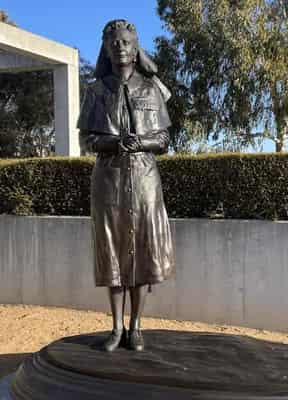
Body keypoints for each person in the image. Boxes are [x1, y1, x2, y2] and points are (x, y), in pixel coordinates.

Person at [77, 19, 175, 352]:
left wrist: (142, 143)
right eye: (114, 42)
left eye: (126, 42)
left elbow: (163, 139)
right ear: (106, 48)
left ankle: (136, 327)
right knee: (112, 252)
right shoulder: (96, 90)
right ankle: (116, 326)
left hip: (145, 179)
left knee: (142, 252)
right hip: (109, 180)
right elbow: (87, 137)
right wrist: (112, 144)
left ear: (135, 48)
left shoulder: (151, 89)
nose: (120, 46)